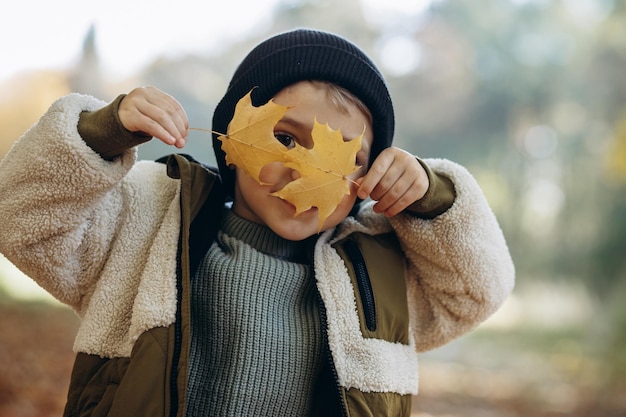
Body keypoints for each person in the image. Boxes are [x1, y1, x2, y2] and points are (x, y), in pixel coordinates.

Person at [0, 28, 515, 417]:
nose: (305, 171)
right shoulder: (148, 225)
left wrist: (434, 198)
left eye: (345, 159)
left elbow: (477, 289)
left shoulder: (374, 271)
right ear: (231, 139)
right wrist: (100, 134)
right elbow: (21, 217)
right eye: (286, 139)